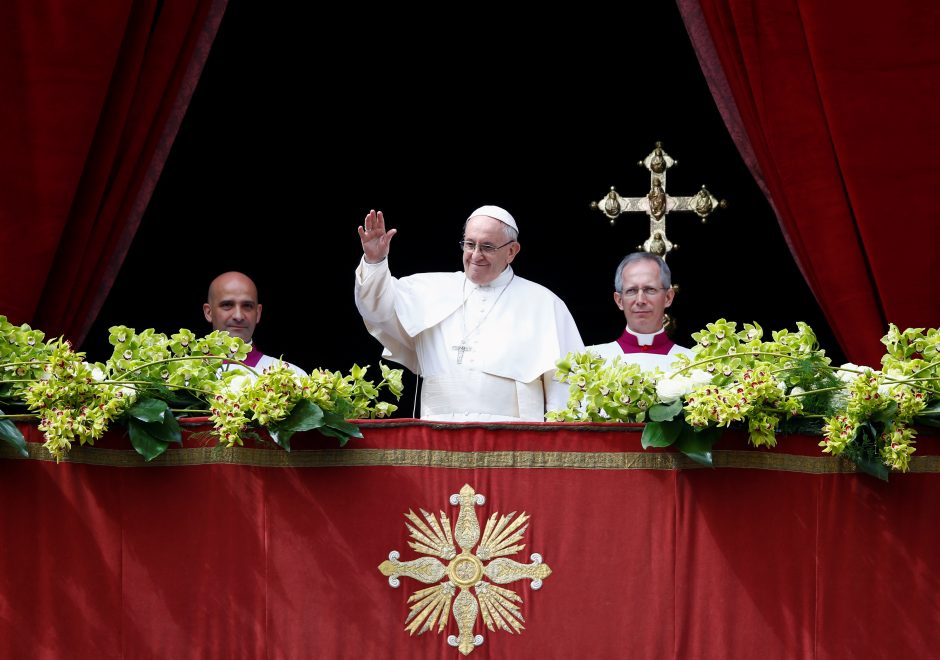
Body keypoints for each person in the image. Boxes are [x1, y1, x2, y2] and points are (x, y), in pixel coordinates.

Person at [354, 205, 584, 421]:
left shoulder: (544, 303)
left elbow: (565, 386)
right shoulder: (430, 289)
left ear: (512, 251)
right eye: (469, 244)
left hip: (513, 444)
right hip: (438, 433)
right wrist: (375, 261)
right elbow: (377, 309)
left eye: (487, 247)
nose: (475, 255)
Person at [588, 252, 694, 371]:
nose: (640, 300)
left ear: (668, 298)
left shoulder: (695, 363)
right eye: (631, 290)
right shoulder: (591, 361)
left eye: (650, 289)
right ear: (619, 301)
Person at [203, 271, 307, 379]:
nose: (238, 316)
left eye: (247, 306)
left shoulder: (292, 377)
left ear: (258, 313)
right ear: (208, 312)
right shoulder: (186, 374)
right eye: (227, 305)